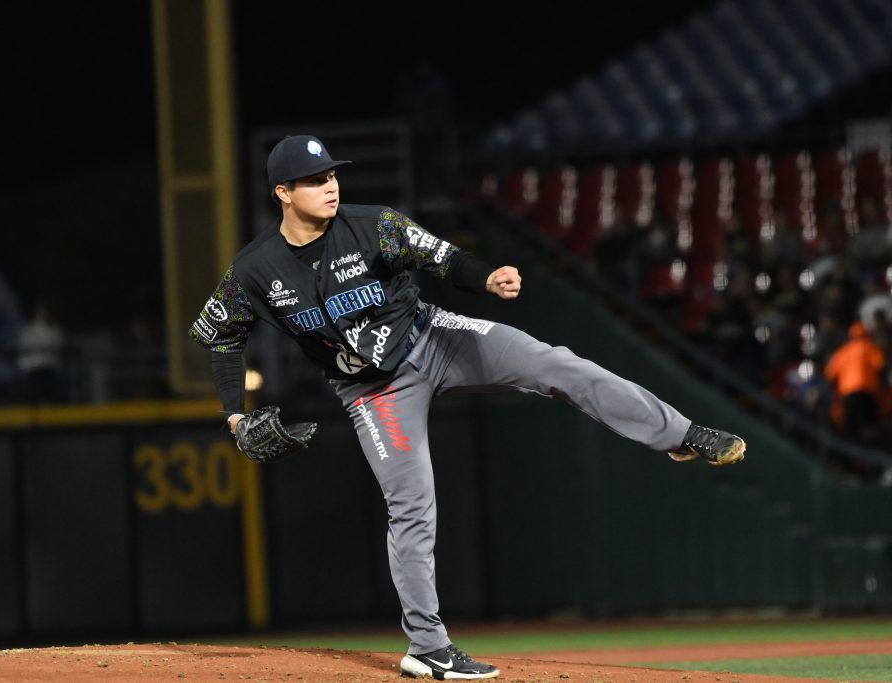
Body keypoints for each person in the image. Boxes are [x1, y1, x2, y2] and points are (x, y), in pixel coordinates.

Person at [189, 135, 747, 681]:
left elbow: (440, 257)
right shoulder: (255, 270)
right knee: (411, 503)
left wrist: (486, 277)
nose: (330, 186)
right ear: (283, 192)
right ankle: (428, 649)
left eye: (332, 175)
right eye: (315, 180)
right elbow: (221, 335)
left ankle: (682, 435)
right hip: (372, 390)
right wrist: (235, 413)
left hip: (436, 337)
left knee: (557, 364)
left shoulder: (372, 224)